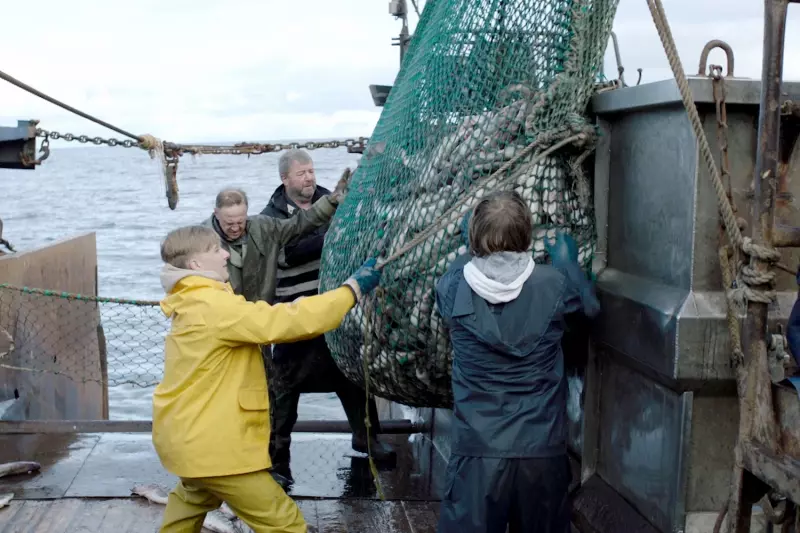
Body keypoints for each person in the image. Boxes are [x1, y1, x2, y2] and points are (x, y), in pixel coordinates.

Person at [152, 224, 382, 533]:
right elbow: (287, 320)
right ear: (195, 265)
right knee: (284, 523)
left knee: (190, 502)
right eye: (215, 250)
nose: (224, 254)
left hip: (189, 442)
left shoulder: (189, 302)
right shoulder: (213, 306)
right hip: (216, 449)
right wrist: (350, 291)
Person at [435, 191, 600, 533]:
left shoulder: (453, 285)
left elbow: (458, 273)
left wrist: (473, 243)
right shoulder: (554, 283)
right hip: (541, 452)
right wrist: (567, 262)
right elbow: (590, 309)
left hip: (478, 453)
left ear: (475, 236)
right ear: (527, 235)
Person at [260, 149, 395, 487]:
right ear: (285, 179)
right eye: (302, 173)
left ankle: (366, 437)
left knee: (351, 377)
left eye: (311, 171)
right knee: (284, 391)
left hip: (335, 311)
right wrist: (333, 237)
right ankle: (278, 459)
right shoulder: (271, 216)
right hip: (294, 316)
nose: (309, 178)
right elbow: (289, 254)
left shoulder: (331, 200)